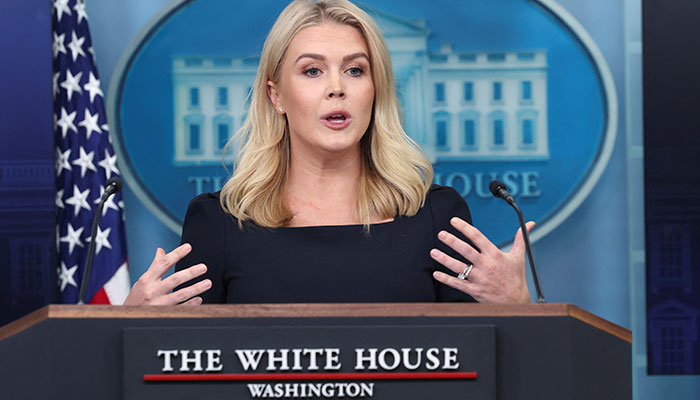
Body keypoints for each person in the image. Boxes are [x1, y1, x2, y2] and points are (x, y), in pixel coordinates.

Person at [123, 0, 532, 306]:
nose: (337, 88)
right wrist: (129, 326)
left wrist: (516, 306)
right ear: (276, 96)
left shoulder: (437, 218)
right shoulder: (219, 224)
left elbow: (481, 362)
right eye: (312, 71)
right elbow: (183, 366)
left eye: (355, 70)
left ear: (375, 91)